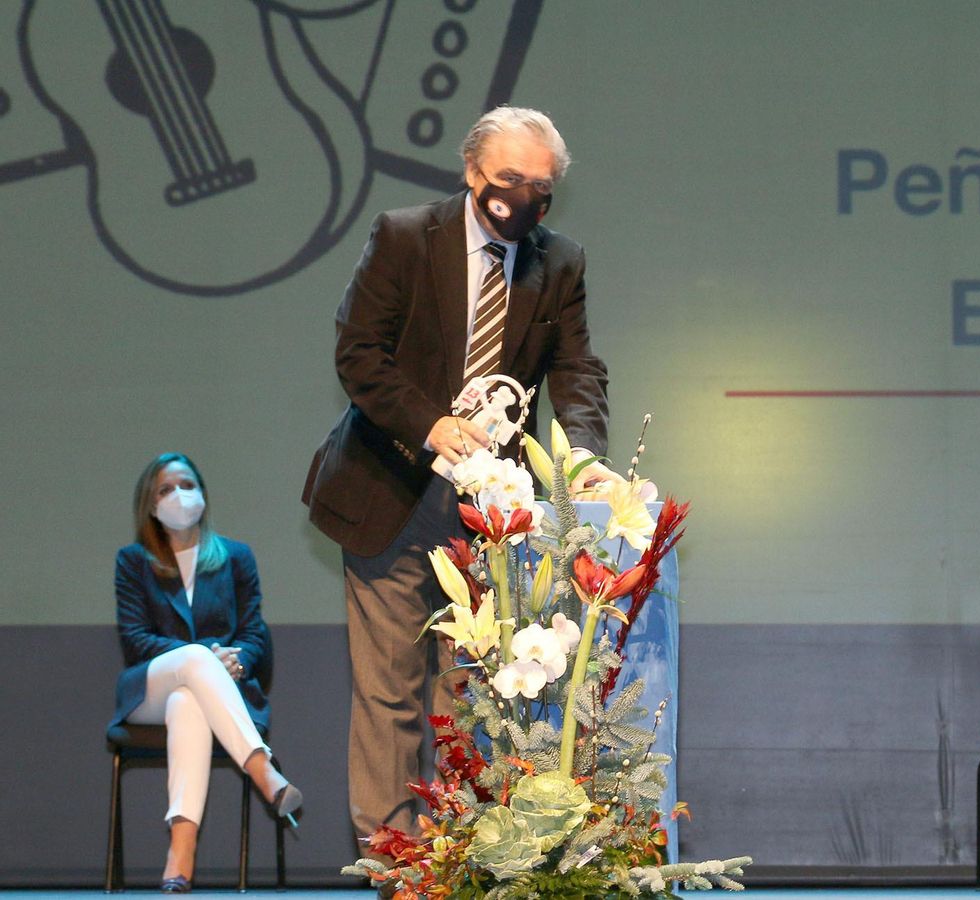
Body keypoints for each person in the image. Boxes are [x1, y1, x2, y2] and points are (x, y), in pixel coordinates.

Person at [301, 106, 610, 848]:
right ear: (473, 172)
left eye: (542, 186)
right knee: (390, 693)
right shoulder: (405, 236)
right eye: (510, 180)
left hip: (492, 513)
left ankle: (464, 858)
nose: (524, 198)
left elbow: (576, 370)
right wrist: (432, 424)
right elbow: (359, 355)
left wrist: (583, 460)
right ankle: (396, 863)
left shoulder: (558, 261)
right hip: (390, 491)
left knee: (470, 693)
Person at [113, 453, 301, 893]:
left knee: (189, 701)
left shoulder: (235, 557)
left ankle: (180, 852)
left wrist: (240, 660)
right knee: (193, 663)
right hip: (148, 691)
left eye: (187, 485)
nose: (179, 495)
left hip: (214, 692)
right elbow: (136, 639)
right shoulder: (133, 561)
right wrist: (206, 656)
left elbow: (254, 631)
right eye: (165, 489)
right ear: (150, 505)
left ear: (203, 494)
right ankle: (262, 771)